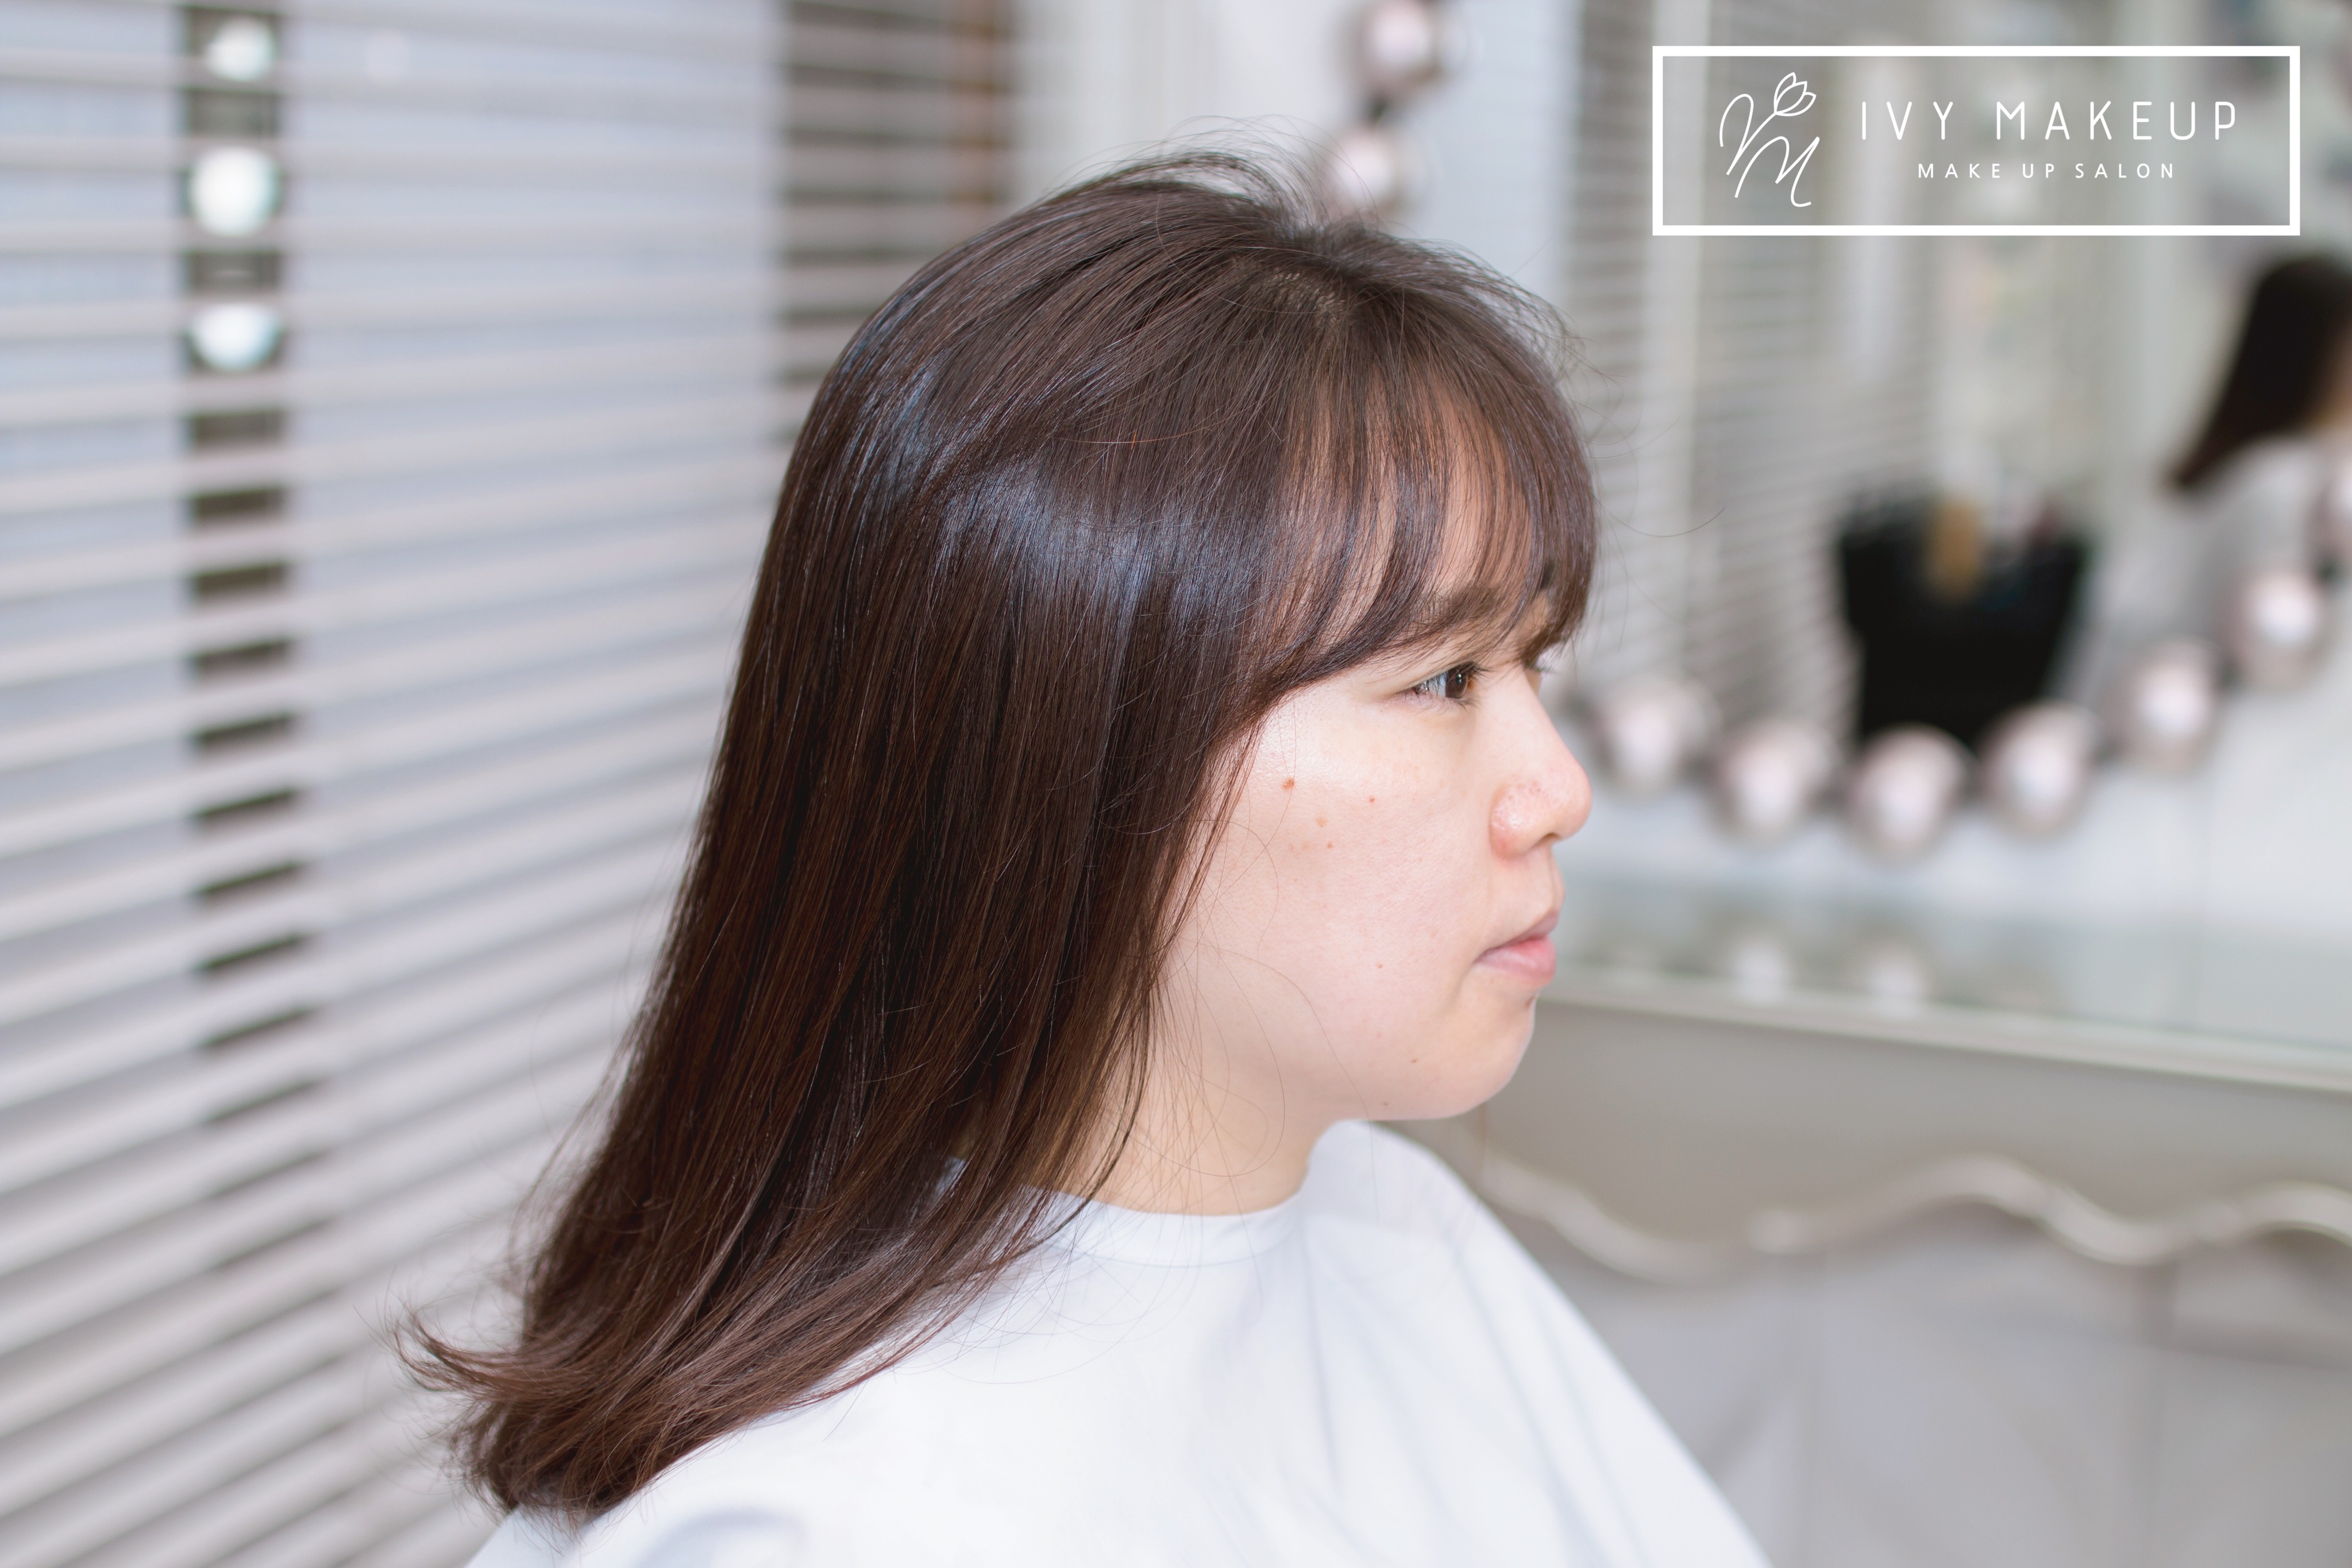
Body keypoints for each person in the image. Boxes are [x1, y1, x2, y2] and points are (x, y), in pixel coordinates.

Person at [425, 152, 1764, 1568]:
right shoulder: (830, 1528)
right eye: (1441, 680)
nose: (1557, 791)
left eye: (1533, 663)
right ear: (1076, 752)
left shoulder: (1395, 1229)